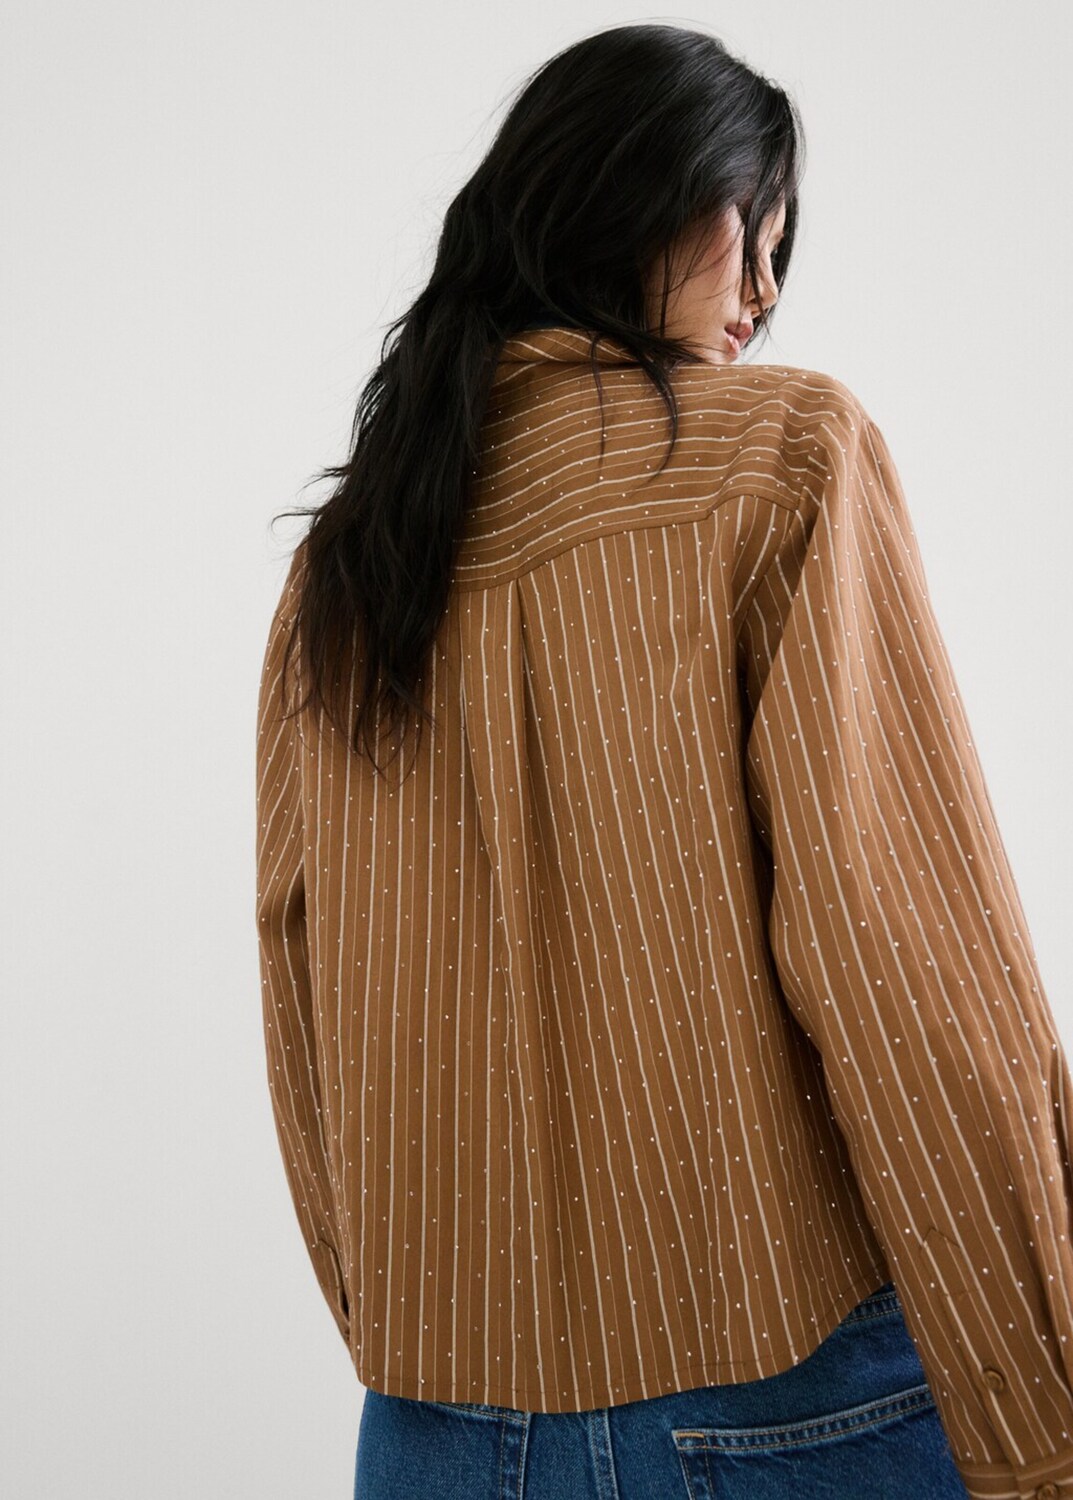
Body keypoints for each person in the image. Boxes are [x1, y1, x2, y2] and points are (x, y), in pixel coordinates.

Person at [254, 22, 1073, 1500]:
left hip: (432, 1430)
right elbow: (904, 959)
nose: (763, 292)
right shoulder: (783, 456)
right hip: (784, 1402)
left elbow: (299, 997)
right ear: (634, 189)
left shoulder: (348, 562)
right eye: (753, 229)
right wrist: (1043, 1412)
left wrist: (409, 1334)